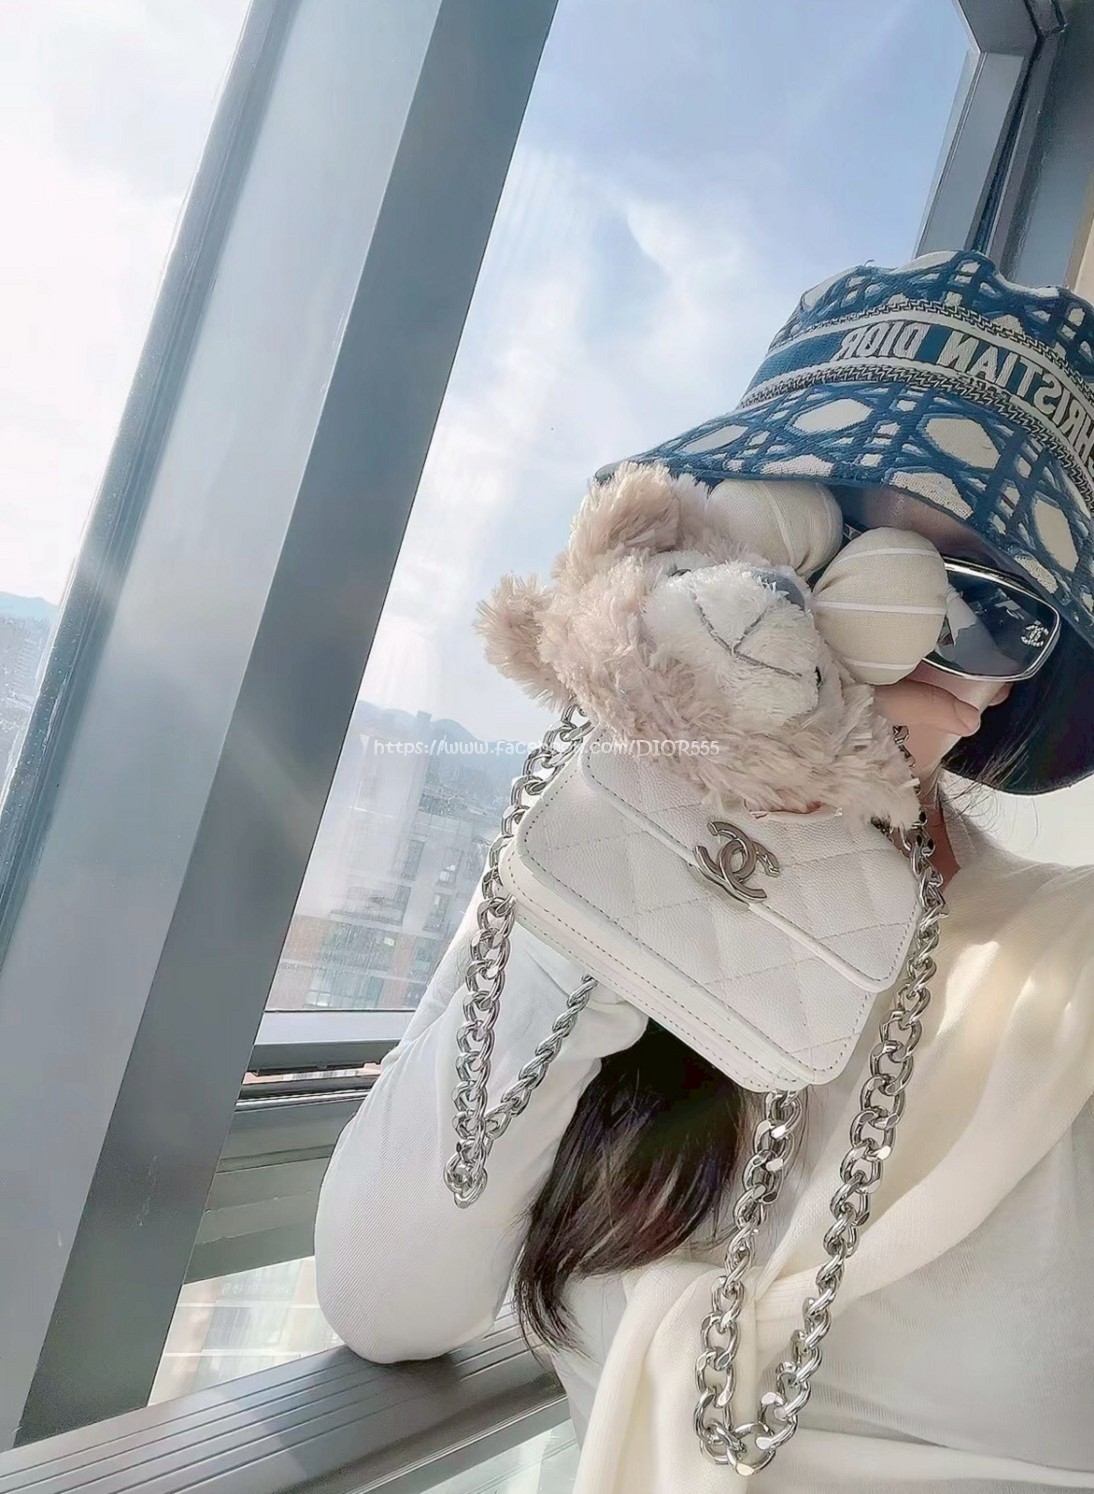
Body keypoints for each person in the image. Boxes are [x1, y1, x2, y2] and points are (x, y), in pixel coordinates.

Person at [314, 251, 1094, 1491]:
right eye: (811, 546)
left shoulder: (1067, 975)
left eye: (980, 611)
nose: (861, 638)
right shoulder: (570, 872)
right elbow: (387, 1299)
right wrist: (654, 828)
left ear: (1007, 691)